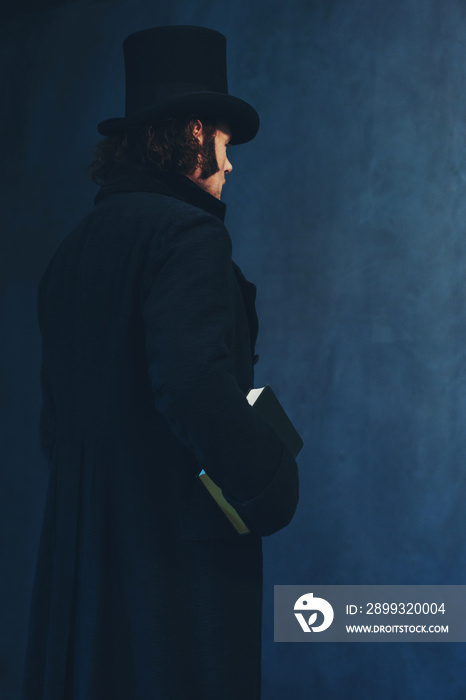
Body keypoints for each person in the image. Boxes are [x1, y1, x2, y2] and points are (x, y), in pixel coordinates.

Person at [22, 26, 299, 700]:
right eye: (227, 148)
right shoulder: (187, 235)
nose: (230, 167)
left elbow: (53, 427)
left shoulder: (73, 252)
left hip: (81, 572)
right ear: (198, 135)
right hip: (170, 574)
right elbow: (192, 380)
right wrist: (270, 484)